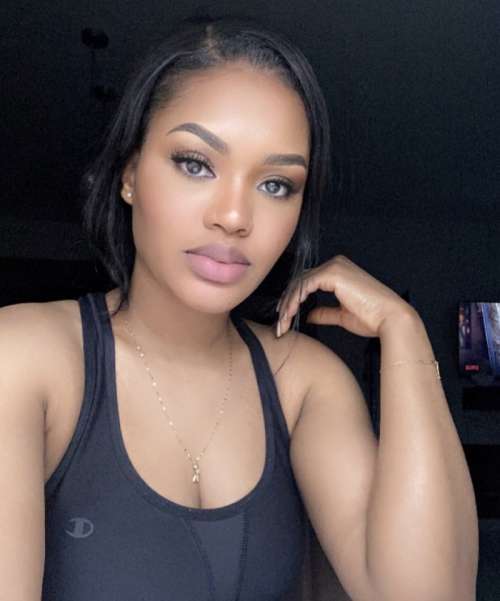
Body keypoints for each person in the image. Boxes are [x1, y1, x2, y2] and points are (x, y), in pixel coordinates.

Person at [0, 12, 478, 601]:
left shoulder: (303, 382)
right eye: (195, 164)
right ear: (129, 175)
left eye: (276, 185)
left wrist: (406, 331)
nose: (233, 216)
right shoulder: (25, 358)